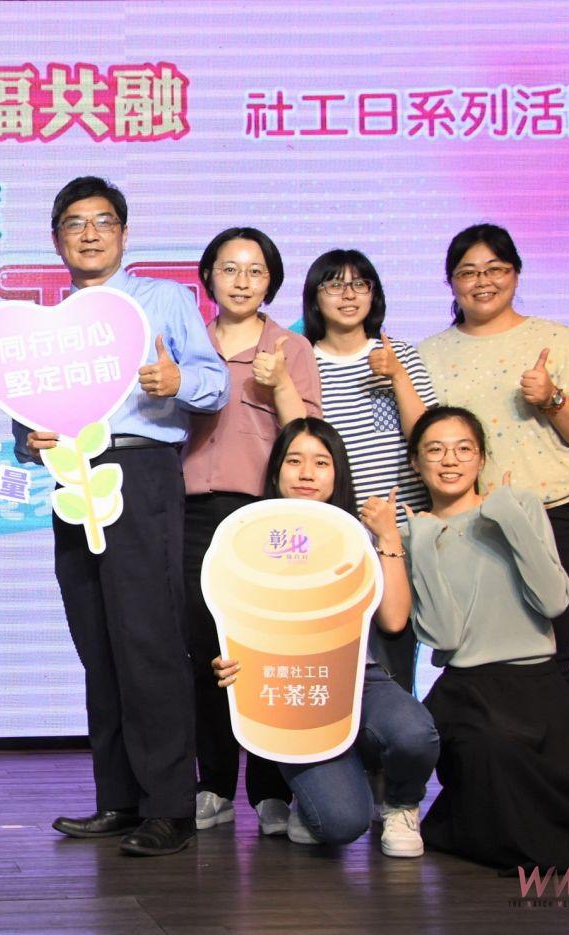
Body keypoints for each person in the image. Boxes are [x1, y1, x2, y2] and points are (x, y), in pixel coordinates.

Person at [22, 176, 229, 857]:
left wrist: (177, 382)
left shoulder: (164, 300)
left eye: (102, 221)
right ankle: (119, 798)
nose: (89, 234)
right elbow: (26, 417)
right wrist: (30, 438)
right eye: (74, 224)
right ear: (57, 239)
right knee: (97, 642)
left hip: (138, 472)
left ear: (124, 233)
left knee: (149, 639)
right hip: (71, 479)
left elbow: (215, 383)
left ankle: (170, 806)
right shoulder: (51, 321)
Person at [403, 406, 569, 870]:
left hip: (539, 685)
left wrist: (507, 517)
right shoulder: (414, 534)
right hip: (470, 692)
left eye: (463, 449)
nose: (450, 460)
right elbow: (443, 635)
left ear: (482, 458)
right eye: (435, 450)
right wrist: (421, 542)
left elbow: (554, 601)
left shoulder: (519, 506)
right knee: (496, 759)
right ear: (416, 462)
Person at [209, 419, 438, 857]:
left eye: (321, 462)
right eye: (294, 461)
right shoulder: (246, 538)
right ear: (276, 470)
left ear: (338, 473)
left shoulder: (357, 534)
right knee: (341, 823)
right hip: (286, 689)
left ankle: (400, 804)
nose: (306, 473)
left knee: (414, 734)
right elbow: (228, 618)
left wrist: (388, 535)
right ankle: (323, 788)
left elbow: (393, 620)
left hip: (359, 677)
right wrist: (226, 661)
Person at [418, 224, 569, 691]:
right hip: (469, 527)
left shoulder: (556, 340)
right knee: (473, 658)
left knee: (552, 655)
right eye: (468, 272)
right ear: (451, 282)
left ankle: (555, 742)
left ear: (516, 274)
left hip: (551, 516)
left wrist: (552, 399)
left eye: (495, 269)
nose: (482, 281)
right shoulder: (427, 355)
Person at [182, 227, 322, 836]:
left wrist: (280, 382)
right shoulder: (185, 344)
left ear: (271, 282)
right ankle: (213, 784)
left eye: (255, 271)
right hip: (189, 513)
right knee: (204, 651)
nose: (242, 282)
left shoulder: (291, 348)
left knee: (266, 652)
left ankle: (270, 790)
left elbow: (307, 441)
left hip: (265, 516)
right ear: (208, 276)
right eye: (229, 268)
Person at [303, 249, 437, 691]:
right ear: (315, 296)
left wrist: (398, 377)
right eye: (335, 285)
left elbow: (428, 440)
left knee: (398, 657)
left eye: (359, 284)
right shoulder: (306, 362)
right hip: (340, 537)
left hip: (404, 532)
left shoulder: (399, 355)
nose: (348, 295)